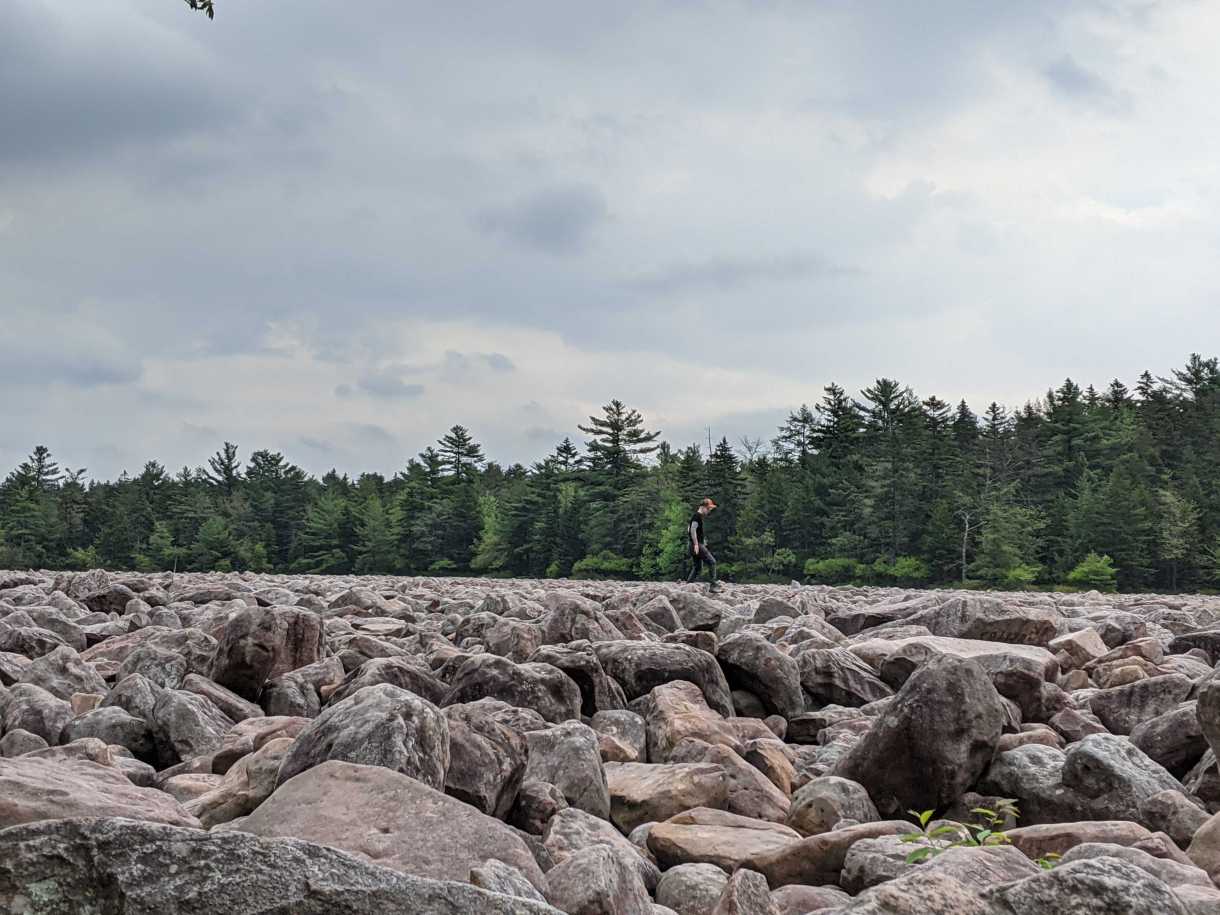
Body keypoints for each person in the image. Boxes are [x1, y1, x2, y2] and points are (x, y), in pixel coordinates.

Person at [686, 497, 719, 592]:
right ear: (703, 507)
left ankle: (688, 585)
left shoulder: (696, 516)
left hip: (692, 544)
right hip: (696, 545)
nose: (709, 511)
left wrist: (700, 540)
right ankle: (713, 585)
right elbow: (692, 530)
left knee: (697, 567)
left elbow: (689, 528)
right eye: (708, 509)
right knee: (712, 562)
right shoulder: (697, 516)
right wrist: (696, 544)